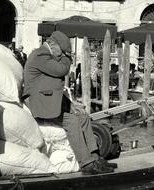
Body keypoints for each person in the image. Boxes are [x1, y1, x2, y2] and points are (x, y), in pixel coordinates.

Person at [22, 31, 116, 175]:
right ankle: (86, 164)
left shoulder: (48, 55)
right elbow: (61, 70)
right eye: (62, 52)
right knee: (71, 121)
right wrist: (67, 58)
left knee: (83, 117)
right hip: (39, 102)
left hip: (48, 100)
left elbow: (51, 87)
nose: (62, 55)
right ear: (52, 44)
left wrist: (71, 104)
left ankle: (95, 158)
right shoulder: (40, 55)